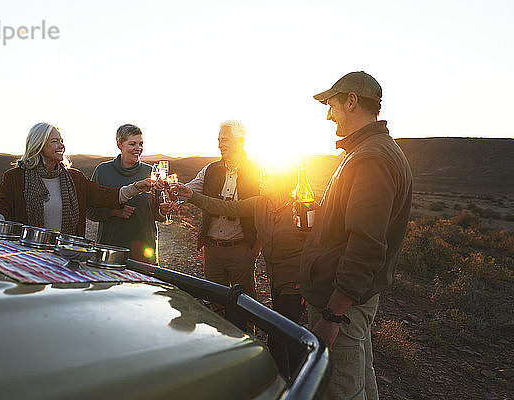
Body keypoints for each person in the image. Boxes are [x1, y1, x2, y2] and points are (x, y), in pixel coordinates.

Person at [300, 71, 412, 400]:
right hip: (351, 301)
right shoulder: (371, 151)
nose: (328, 114)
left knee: (340, 389)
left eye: (332, 104)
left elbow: (365, 246)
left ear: (351, 101)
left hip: (344, 306)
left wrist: (333, 315)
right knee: (360, 379)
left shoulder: (371, 158)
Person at [172, 168, 306, 379]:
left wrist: (309, 279)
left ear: (281, 181)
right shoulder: (260, 204)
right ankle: (293, 382)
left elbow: (319, 244)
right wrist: (192, 196)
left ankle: (294, 384)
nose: (261, 179)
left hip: (295, 283)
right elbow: (226, 207)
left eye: (267, 176)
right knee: (286, 334)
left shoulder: (300, 209)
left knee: (280, 337)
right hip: (276, 282)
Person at [0, 122, 153, 237]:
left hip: (65, 256)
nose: (62, 146)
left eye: (62, 141)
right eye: (55, 142)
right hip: (27, 256)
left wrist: (137, 187)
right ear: (39, 145)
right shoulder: (16, 178)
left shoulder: (75, 178)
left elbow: (108, 196)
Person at [184, 120, 261, 299]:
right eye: (219, 139)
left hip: (242, 250)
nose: (220, 144)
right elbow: (189, 190)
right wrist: (173, 193)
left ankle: (244, 329)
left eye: (225, 139)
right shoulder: (210, 170)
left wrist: (255, 250)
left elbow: (257, 211)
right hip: (212, 251)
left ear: (240, 141)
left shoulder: (257, 172)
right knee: (215, 303)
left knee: (245, 306)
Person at [87, 124, 163, 264]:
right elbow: (90, 211)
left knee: (144, 285)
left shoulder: (151, 172)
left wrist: (164, 211)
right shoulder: (103, 171)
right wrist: (113, 211)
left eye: (141, 144)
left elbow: (159, 213)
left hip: (145, 250)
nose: (138, 149)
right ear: (119, 144)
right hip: (110, 248)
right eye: (132, 144)